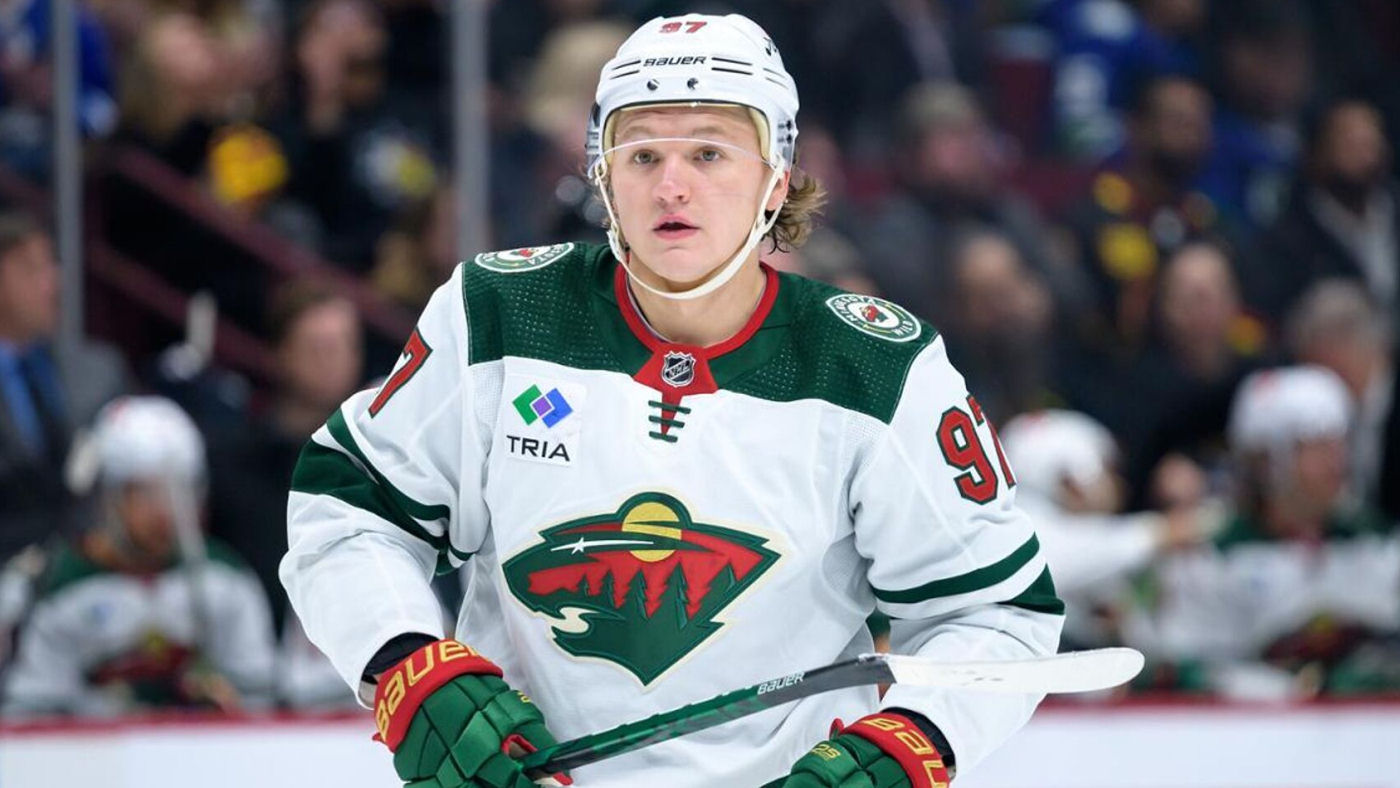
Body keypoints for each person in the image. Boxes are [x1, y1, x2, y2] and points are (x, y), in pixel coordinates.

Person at [283, 13, 1062, 788]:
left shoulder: (877, 365)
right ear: (603, 174)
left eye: (709, 153)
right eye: (642, 154)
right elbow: (349, 510)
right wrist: (407, 662)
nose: (671, 186)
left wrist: (907, 745)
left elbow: (994, 613)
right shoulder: (498, 313)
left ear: (777, 180)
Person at [1124, 366, 1400, 698]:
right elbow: (1176, 665)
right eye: (1316, 446)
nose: (1337, 461)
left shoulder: (1377, 542)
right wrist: (1257, 687)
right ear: (1267, 459)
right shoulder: (1212, 556)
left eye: (1340, 442)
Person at [2, 396, 275, 716]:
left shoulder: (224, 580)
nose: (166, 511)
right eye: (145, 492)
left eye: (181, 491)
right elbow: (32, 714)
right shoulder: (48, 587)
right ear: (108, 495)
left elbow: (258, 697)